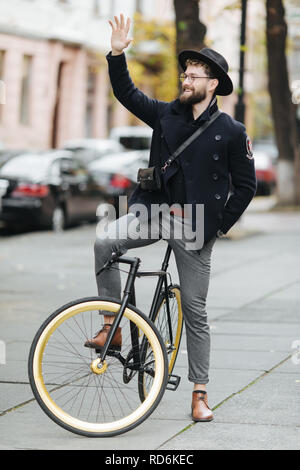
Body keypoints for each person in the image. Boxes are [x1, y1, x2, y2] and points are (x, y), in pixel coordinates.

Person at [85, 14, 257, 422]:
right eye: (185, 73)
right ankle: (112, 324)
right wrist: (116, 54)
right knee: (104, 240)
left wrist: (217, 227)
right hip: (153, 212)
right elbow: (127, 93)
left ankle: (199, 392)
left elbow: (245, 186)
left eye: (194, 75)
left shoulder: (231, 131)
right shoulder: (166, 115)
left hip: (197, 227)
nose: (186, 80)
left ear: (212, 84)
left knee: (196, 312)